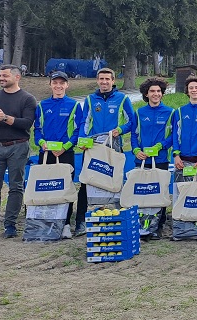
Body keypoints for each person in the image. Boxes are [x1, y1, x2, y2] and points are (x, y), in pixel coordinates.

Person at [0, 65, 37, 243]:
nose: (1, 78)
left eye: (5, 76)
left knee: (16, 186)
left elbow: (27, 123)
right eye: (0, 76)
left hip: (18, 147)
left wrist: (5, 118)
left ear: (17, 77)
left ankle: (10, 224)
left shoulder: (27, 99)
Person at [78, 67, 135, 235]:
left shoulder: (122, 99)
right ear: (97, 81)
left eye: (107, 79)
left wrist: (121, 129)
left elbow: (132, 122)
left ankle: (117, 217)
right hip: (93, 146)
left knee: (115, 181)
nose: (104, 82)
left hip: (114, 146)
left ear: (113, 81)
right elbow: (84, 123)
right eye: (101, 79)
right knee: (86, 181)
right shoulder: (90, 99)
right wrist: (83, 140)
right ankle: (81, 221)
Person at [33, 71, 83, 239]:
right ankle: (48, 222)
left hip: (65, 153)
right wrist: (42, 144)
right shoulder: (42, 106)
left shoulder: (74, 105)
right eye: (55, 83)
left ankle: (66, 224)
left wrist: (66, 146)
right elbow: (37, 132)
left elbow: (78, 131)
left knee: (65, 188)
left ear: (67, 85)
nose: (58, 86)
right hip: (46, 154)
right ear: (50, 85)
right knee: (47, 188)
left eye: (62, 83)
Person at [130, 77, 174, 240]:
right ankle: (141, 225)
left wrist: (159, 146)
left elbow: (172, 138)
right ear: (146, 94)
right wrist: (135, 150)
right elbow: (134, 134)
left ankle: (158, 226)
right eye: (152, 91)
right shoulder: (139, 112)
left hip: (161, 159)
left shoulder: (170, 112)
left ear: (162, 94)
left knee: (159, 193)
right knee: (142, 193)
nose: (155, 94)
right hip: (141, 160)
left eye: (158, 91)